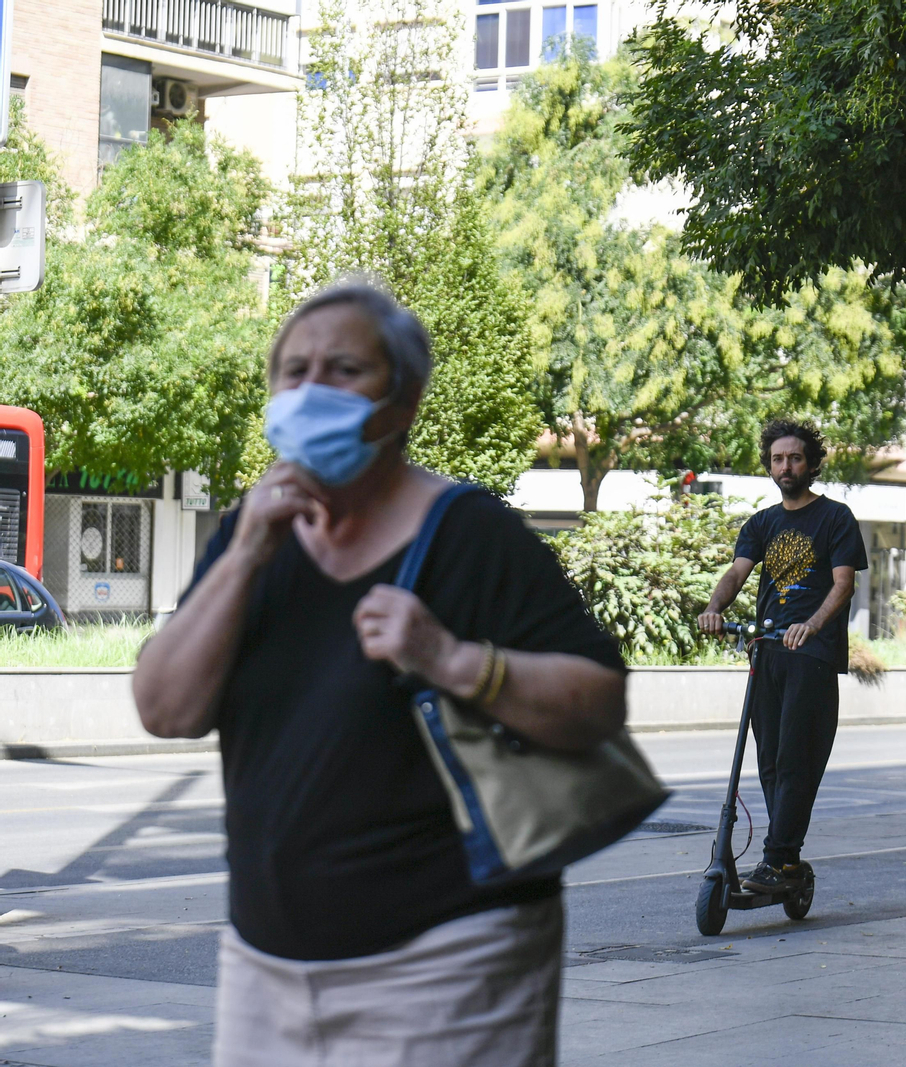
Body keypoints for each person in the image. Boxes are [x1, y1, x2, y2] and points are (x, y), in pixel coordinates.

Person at [132, 281, 628, 1066]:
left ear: (404, 400)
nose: (309, 390)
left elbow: (599, 700)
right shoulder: (251, 533)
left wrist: (454, 659)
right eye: (292, 372)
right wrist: (247, 557)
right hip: (264, 968)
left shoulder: (473, 534)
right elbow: (164, 707)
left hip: (448, 968)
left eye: (342, 369)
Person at [696, 419, 868, 893]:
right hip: (767, 651)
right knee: (769, 760)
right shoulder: (762, 523)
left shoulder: (836, 518)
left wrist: (811, 624)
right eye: (777, 458)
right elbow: (737, 573)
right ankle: (786, 862)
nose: (785, 466)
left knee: (796, 758)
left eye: (794, 457)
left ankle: (778, 858)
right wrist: (714, 609)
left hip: (810, 653)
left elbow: (843, 584)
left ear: (811, 463)